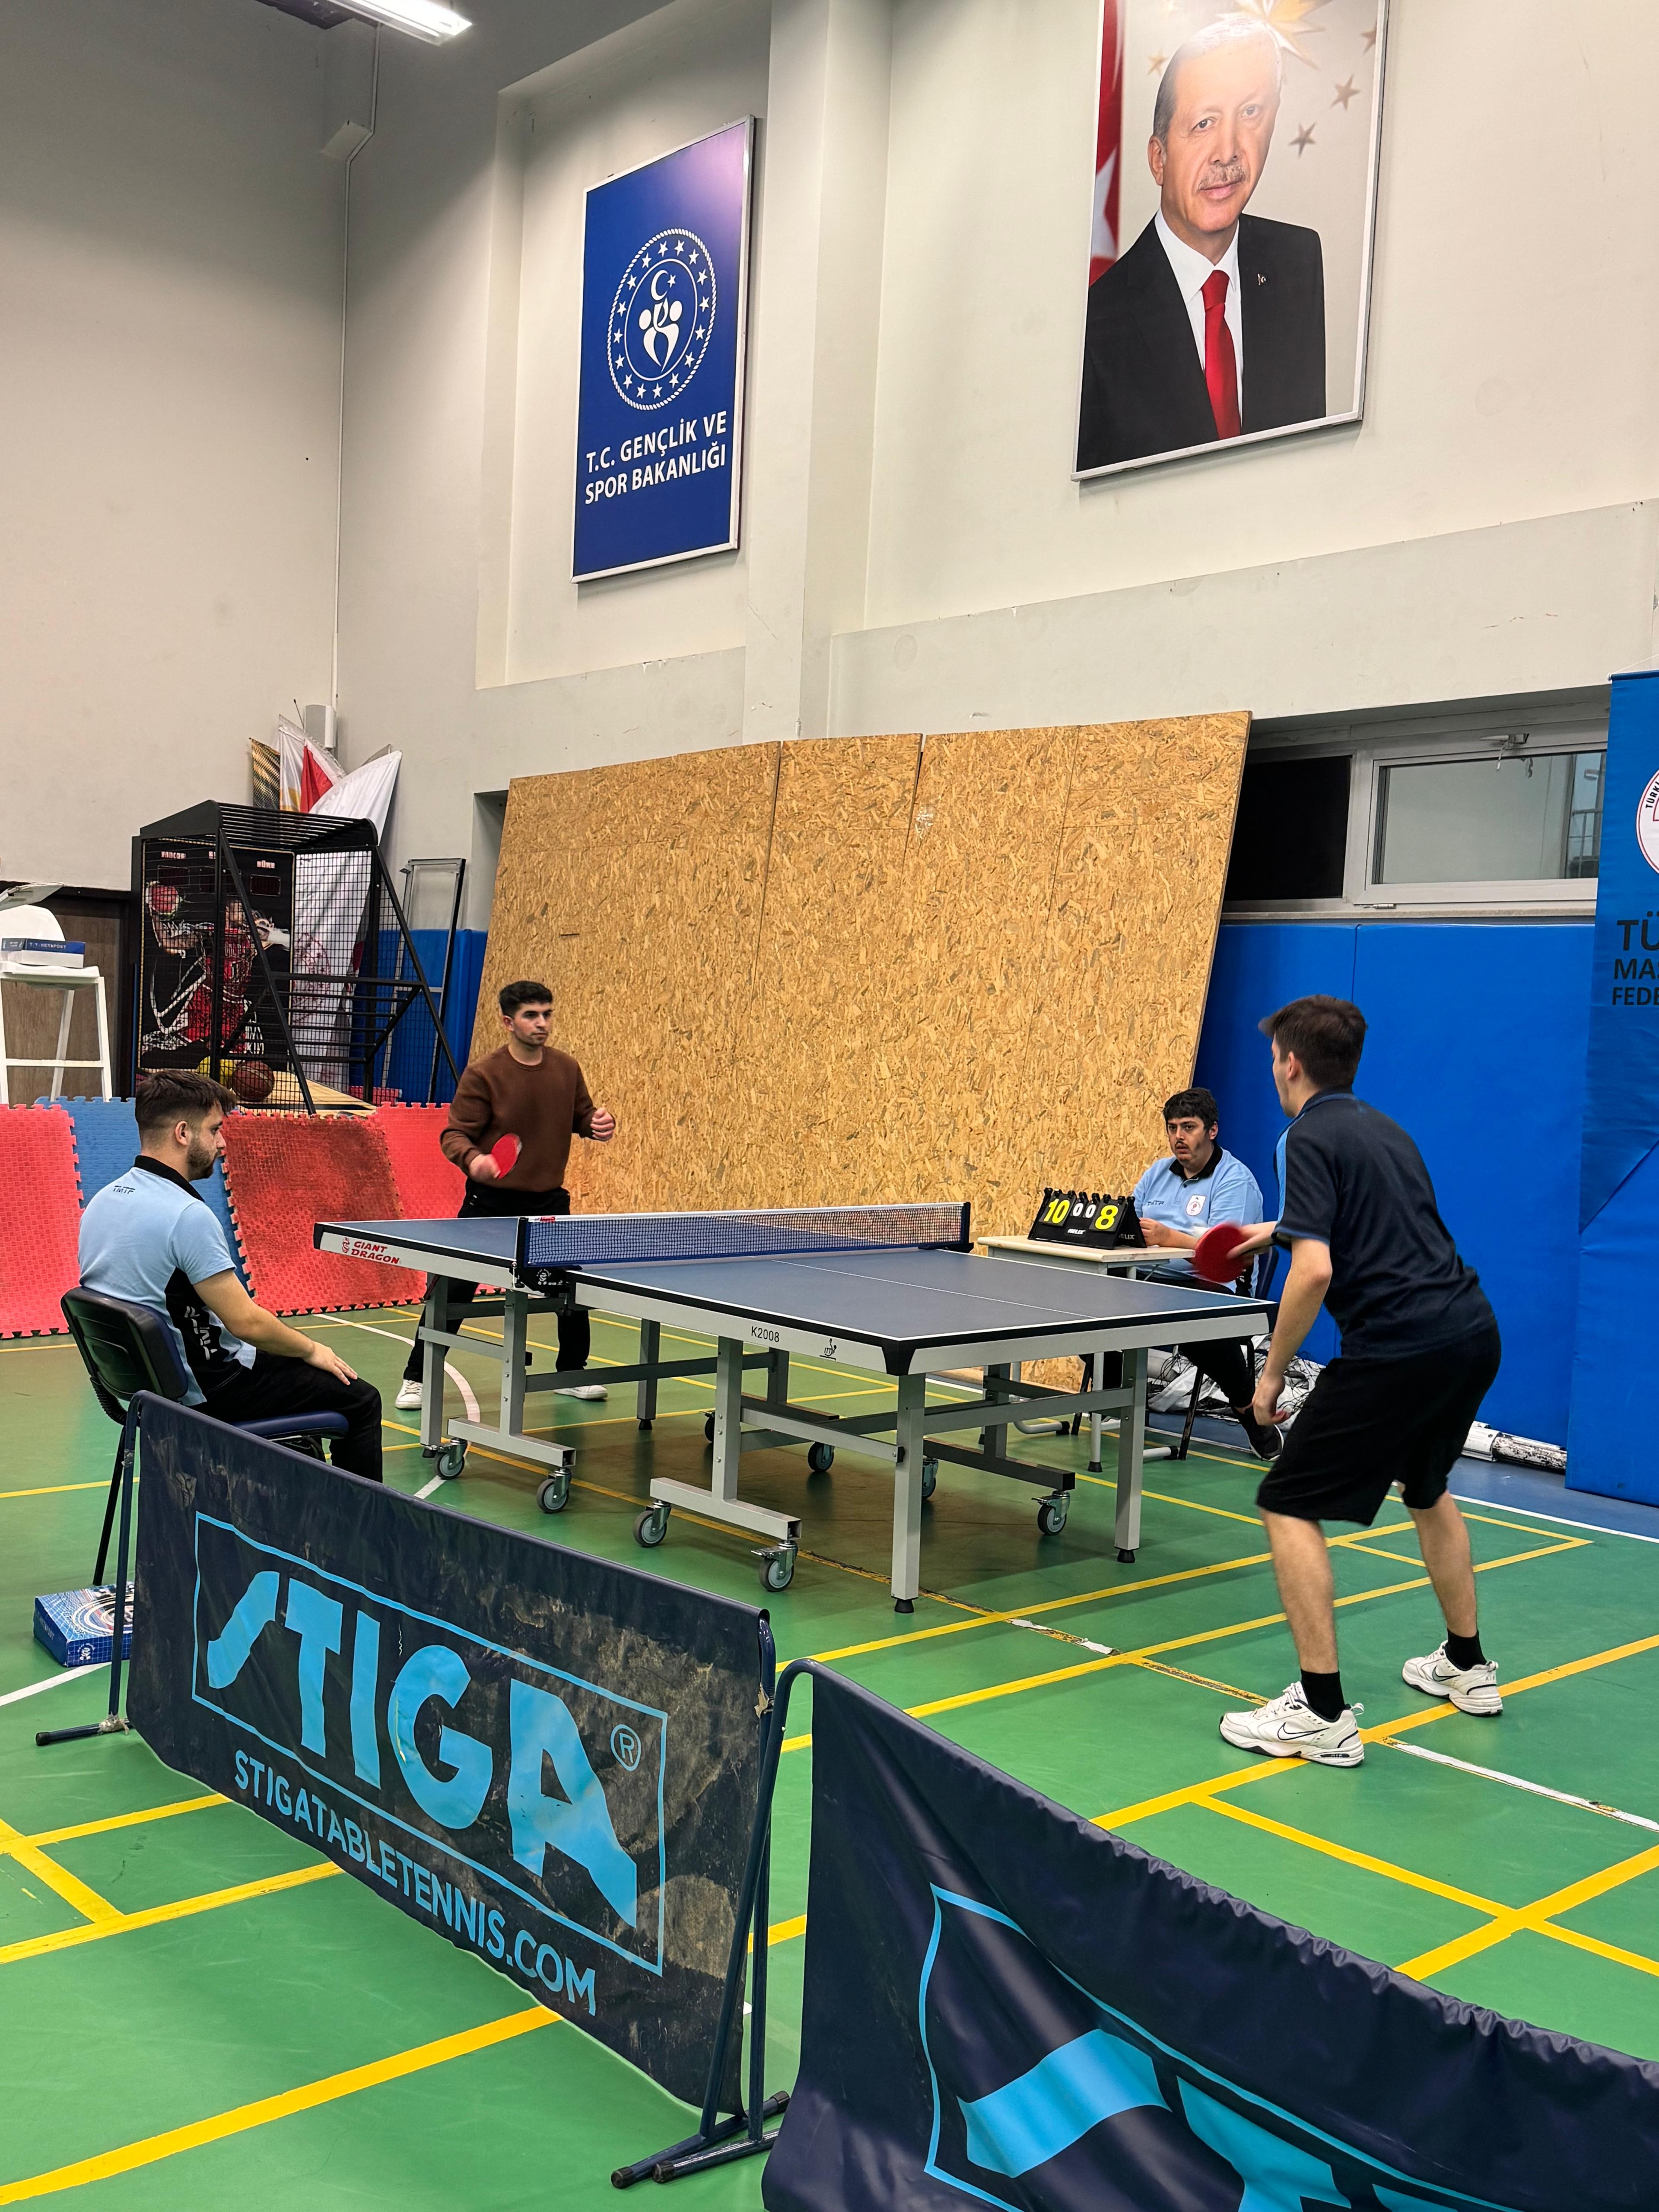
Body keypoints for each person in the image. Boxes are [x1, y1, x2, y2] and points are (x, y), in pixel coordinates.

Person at [1218, 997, 1503, 1769]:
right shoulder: (1385, 1129)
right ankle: (1468, 1665)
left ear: (1291, 1063)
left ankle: (1320, 1713)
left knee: (1287, 1502)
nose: (1273, 1069)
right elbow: (1371, 1224)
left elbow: (1315, 1270)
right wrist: (1273, 1231)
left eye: (1273, 1058)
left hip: (1399, 1346)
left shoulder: (1302, 1136)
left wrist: (1269, 1376)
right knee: (1427, 1488)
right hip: (1470, 1333)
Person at [78, 1071, 382, 1480]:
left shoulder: (102, 1201)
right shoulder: (187, 1215)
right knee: (361, 1399)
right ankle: (362, 1521)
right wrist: (312, 1350)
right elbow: (247, 1323)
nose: (222, 1143)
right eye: (215, 1130)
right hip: (206, 1392)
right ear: (183, 1133)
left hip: (142, 1390)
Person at [1076, 18, 1325, 471]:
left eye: (1250, 112)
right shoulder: (1096, 323)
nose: (1227, 151)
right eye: (1204, 123)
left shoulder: (1298, 263)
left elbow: (1307, 461)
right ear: (1159, 159)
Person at [396, 979, 616, 1410]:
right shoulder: (485, 1074)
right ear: (508, 1022)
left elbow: (582, 1116)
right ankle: (416, 1377)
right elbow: (454, 1134)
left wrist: (597, 1124)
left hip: (548, 1202)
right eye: (531, 1015)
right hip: (490, 1203)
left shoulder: (566, 1068)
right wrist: (474, 1159)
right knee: (453, 1289)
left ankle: (572, 1372)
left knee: (571, 1288)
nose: (542, 1023)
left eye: (547, 1014)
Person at [1131, 1085, 1280, 1460]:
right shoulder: (1157, 1173)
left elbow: (1225, 1253)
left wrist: (1167, 1238)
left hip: (1215, 1286)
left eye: (1189, 1127)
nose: (1178, 1137)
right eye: (1172, 1128)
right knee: (1089, 1309)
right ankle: (1124, 1398)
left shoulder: (1235, 1180)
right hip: (1149, 1280)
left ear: (1212, 1131)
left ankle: (1248, 1413)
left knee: (1196, 1322)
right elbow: (1129, 1223)